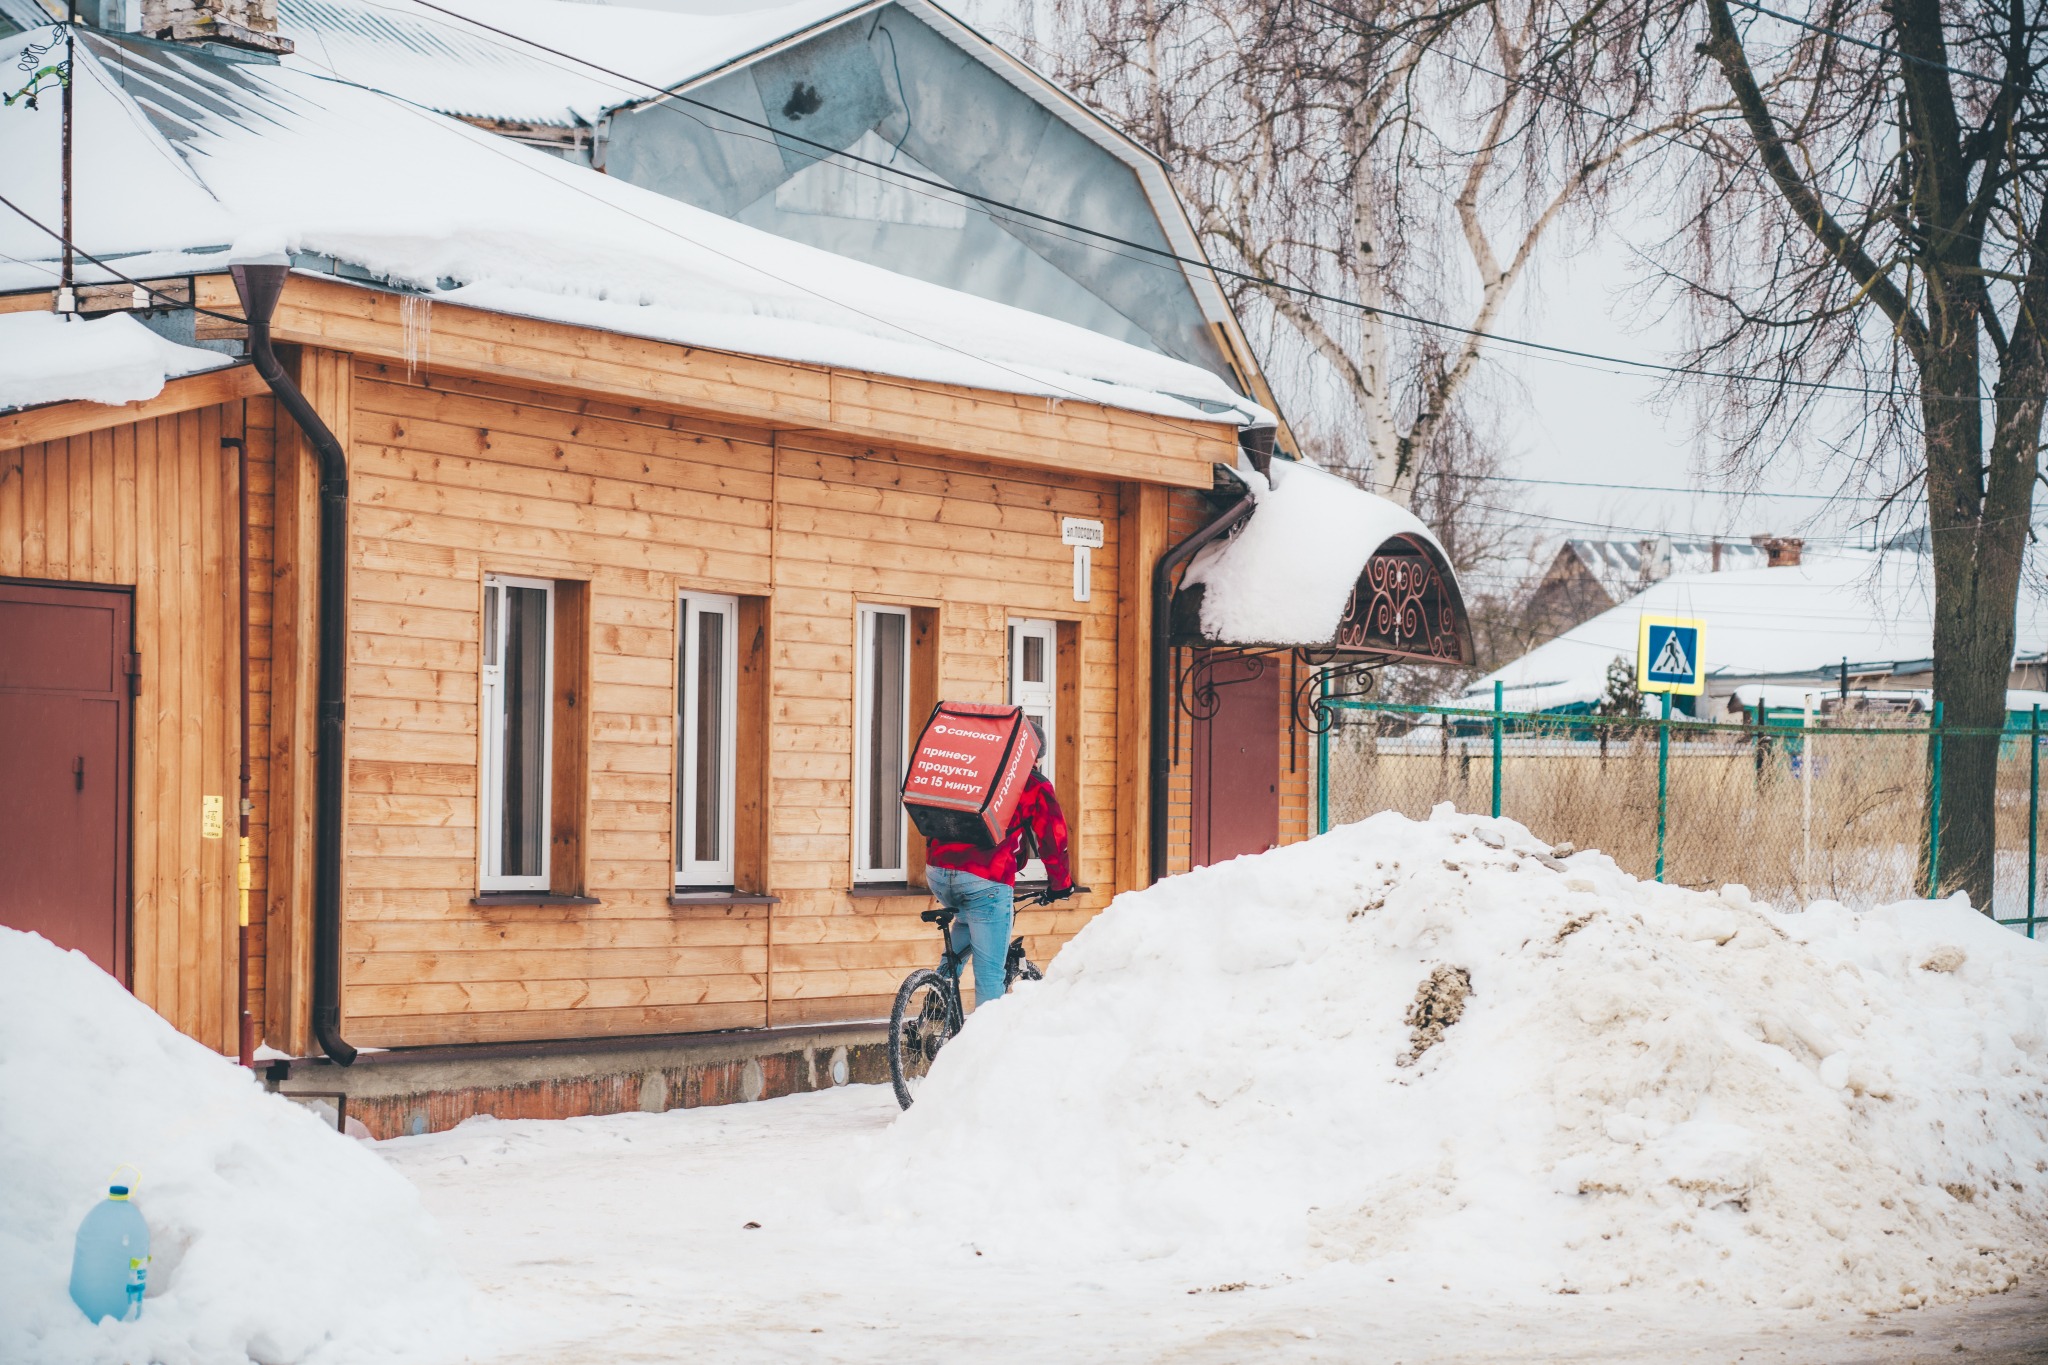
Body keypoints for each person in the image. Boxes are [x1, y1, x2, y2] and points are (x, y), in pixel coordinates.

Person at [923, 766, 1072, 1011]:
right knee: (991, 974)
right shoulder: (1031, 781)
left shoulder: (970, 765)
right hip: (986, 876)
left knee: (967, 918)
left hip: (937, 871)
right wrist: (1061, 884)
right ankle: (984, 1047)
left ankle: (937, 1002)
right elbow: (1053, 837)